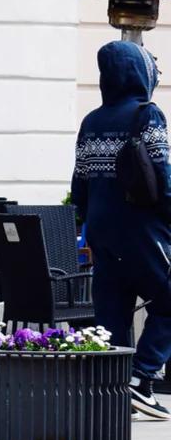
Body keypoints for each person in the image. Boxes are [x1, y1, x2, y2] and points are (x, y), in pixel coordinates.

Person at [72, 40, 171, 420]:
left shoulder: (91, 121)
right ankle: (141, 378)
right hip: (141, 228)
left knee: (111, 313)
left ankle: (108, 394)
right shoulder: (148, 115)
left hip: (101, 229)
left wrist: (86, 228)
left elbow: (79, 183)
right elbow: (161, 176)